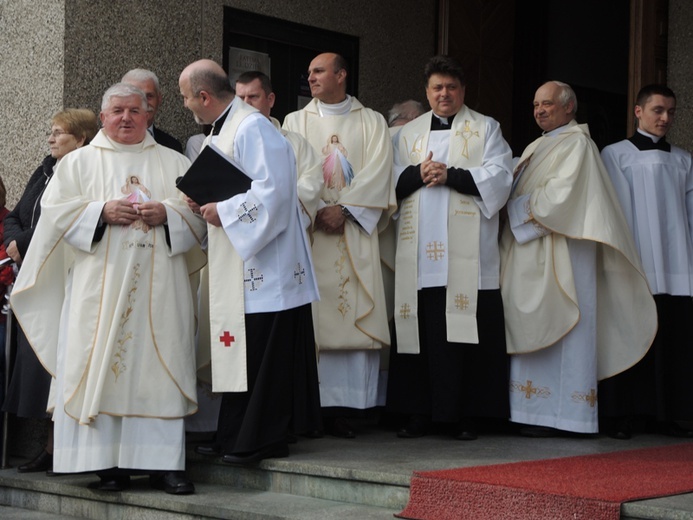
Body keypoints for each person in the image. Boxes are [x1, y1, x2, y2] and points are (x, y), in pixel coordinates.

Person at [10, 83, 206, 493]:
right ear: (102, 117)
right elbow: (54, 219)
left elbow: (198, 220)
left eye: (135, 110)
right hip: (95, 288)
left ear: (148, 115)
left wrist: (167, 214)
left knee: (159, 367)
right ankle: (107, 464)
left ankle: (165, 465)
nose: (126, 118)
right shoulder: (77, 163)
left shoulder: (173, 163)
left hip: (159, 291)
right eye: (117, 111)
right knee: (99, 363)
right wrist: (99, 211)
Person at [178, 59, 321, 463]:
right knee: (243, 352)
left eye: (187, 97)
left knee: (261, 355)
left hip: (266, 268)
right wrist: (202, 201)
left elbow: (274, 191)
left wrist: (223, 211)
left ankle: (261, 439)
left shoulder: (252, 126)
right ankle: (234, 433)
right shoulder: (223, 129)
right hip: (240, 262)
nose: (187, 104)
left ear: (204, 96)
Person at [499, 80, 657, 437]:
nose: (540, 110)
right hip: (532, 251)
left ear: (569, 107)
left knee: (568, 327)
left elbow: (560, 199)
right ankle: (532, 412)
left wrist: (512, 209)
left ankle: (566, 415)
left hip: (566, 255)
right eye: (536, 104)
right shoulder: (535, 147)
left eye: (548, 104)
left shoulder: (579, 146)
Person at [386, 55, 513, 441]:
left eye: (452, 87)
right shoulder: (406, 135)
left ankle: (467, 416)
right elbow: (387, 179)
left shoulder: (486, 128)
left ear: (463, 91)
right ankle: (418, 413)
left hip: (468, 259)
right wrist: (415, 173)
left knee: (466, 336)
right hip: (420, 256)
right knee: (419, 335)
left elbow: (501, 176)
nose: (445, 94)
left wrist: (451, 174)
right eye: (437, 88)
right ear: (427, 92)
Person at [283, 52, 396, 438]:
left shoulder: (372, 121)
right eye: (310, 71)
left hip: (351, 233)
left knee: (352, 311)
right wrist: (316, 211)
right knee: (312, 316)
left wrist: (344, 210)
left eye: (318, 71)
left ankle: (351, 409)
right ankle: (310, 406)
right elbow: (290, 173)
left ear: (341, 75)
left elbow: (380, 173)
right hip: (311, 235)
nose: (311, 78)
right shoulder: (294, 122)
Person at [3, 109, 98, 474]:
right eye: (51, 132)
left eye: (59, 133)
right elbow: (16, 215)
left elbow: (64, 218)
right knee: (40, 360)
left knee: (60, 363)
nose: (51, 139)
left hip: (63, 275)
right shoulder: (44, 169)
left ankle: (59, 447)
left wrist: (24, 243)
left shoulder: (85, 170)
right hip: (34, 272)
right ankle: (48, 445)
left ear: (81, 139)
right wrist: (15, 242)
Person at [599, 84, 693, 439]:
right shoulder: (616, 155)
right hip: (636, 261)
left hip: (678, 264)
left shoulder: (684, 160)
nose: (665, 118)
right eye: (657, 110)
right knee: (631, 336)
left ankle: (667, 414)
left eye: (670, 111)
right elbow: (615, 211)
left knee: (672, 338)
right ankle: (624, 414)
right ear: (638, 112)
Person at [235, 71, 323, 227]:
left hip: (282, 230)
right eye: (240, 98)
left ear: (270, 100)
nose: (246, 103)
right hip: (236, 230)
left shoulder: (296, 143)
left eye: (253, 97)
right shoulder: (219, 141)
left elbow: (312, 180)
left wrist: (271, 207)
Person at [122, 68, 183, 153]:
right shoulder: (106, 145)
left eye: (149, 96)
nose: (144, 103)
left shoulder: (172, 146)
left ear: (159, 99)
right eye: (136, 96)